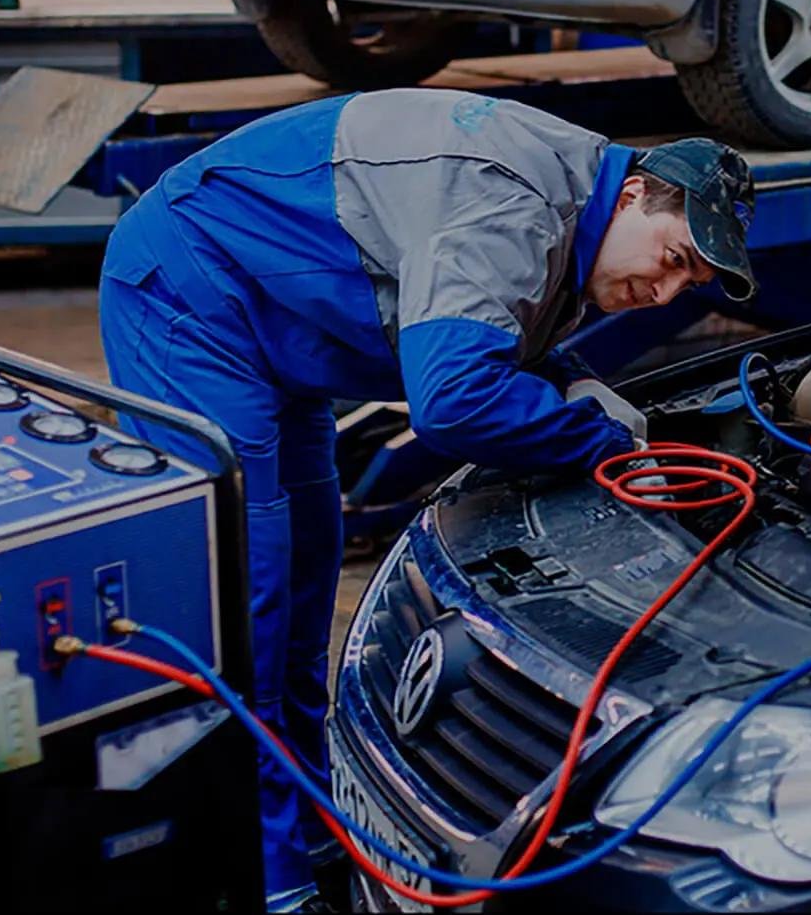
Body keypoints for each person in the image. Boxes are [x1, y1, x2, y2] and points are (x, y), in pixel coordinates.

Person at [96, 88, 755, 911]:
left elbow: (498, 325)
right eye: (674, 256)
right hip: (189, 297)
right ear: (634, 196)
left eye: (689, 281)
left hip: (285, 329)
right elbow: (455, 402)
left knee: (305, 591)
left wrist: (578, 386)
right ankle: (271, 885)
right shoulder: (514, 200)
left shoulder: (578, 197)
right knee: (248, 607)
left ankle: (314, 832)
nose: (666, 294)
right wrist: (605, 445)